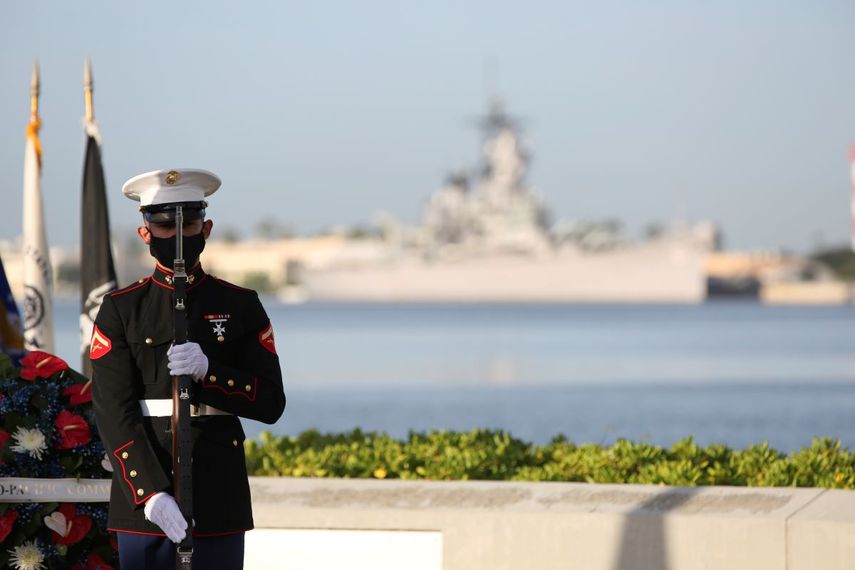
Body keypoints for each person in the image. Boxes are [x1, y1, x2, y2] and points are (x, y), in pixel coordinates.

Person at [91, 168, 286, 569]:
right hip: (146, 501)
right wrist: (149, 493)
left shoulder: (240, 305)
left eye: (189, 223)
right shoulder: (122, 310)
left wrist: (209, 372)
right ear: (144, 233)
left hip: (218, 495)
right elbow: (113, 410)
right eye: (163, 227)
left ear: (206, 228)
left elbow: (270, 401)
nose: (178, 236)